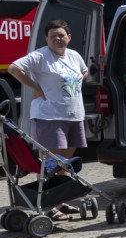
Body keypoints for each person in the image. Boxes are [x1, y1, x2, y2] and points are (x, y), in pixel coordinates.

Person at [9, 19, 90, 222]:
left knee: (64, 164)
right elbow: (13, 68)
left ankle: (60, 201)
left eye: (61, 35)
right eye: (53, 35)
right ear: (46, 38)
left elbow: (84, 71)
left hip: (74, 115)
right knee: (50, 163)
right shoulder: (41, 56)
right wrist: (36, 88)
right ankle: (48, 207)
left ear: (68, 37)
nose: (57, 39)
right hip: (49, 117)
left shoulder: (74, 55)